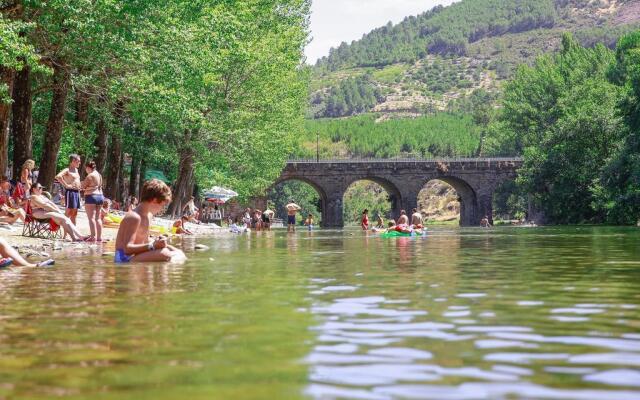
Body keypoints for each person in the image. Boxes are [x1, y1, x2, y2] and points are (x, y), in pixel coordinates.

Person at [114, 179, 186, 263]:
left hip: (137, 254)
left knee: (178, 252)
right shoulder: (134, 217)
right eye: (162, 205)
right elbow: (127, 249)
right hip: (124, 258)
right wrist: (153, 246)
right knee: (164, 254)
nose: (162, 209)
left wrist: (159, 242)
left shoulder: (149, 215)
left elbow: (144, 240)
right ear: (154, 200)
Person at [55, 154, 82, 225]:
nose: (80, 163)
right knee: (68, 213)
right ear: (73, 161)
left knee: (74, 214)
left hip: (77, 193)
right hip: (71, 192)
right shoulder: (67, 170)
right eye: (78, 161)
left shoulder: (76, 170)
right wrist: (66, 185)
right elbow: (58, 176)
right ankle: (65, 234)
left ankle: (74, 233)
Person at [81, 161, 105, 242]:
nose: (86, 170)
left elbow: (83, 186)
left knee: (91, 218)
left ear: (88, 168)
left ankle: (92, 237)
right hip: (100, 196)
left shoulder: (90, 175)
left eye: (86, 169)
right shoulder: (99, 175)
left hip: (91, 196)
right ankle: (99, 237)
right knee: (98, 218)